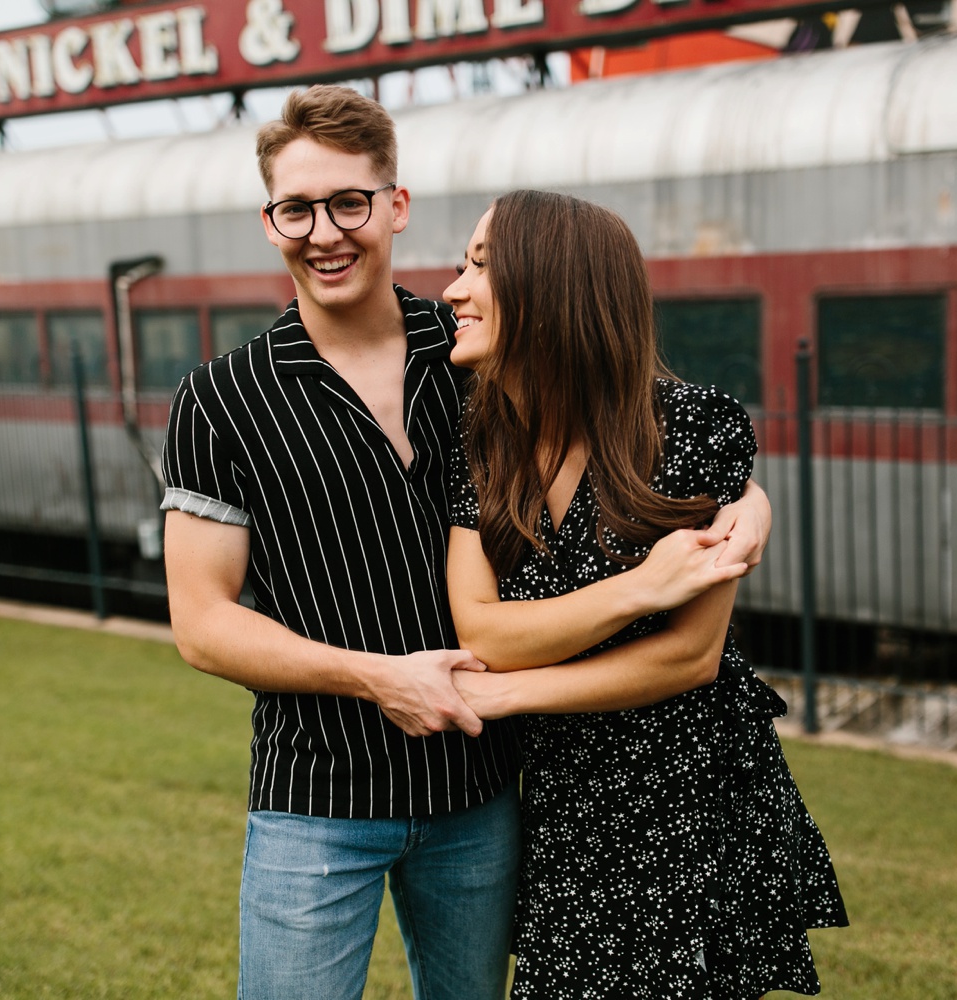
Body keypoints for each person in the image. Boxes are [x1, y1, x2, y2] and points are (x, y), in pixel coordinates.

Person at [159, 86, 773, 1000]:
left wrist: (749, 503)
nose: (324, 231)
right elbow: (202, 625)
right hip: (315, 798)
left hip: (481, 789)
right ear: (269, 220)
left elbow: (626, 419)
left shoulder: (479, 344)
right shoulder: (220, 400)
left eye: (349, 203)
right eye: (297, 208)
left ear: (395, 207)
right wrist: (376, 676)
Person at [440, 190, 848, 999]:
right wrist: (643, 588)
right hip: (566, 808)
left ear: (549, 288)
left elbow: (691, 656)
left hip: (689, 799)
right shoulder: (483, 441)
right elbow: (480, 630)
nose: (453, 288)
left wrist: (515, 691)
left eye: (479, 266)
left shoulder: (694, 429)